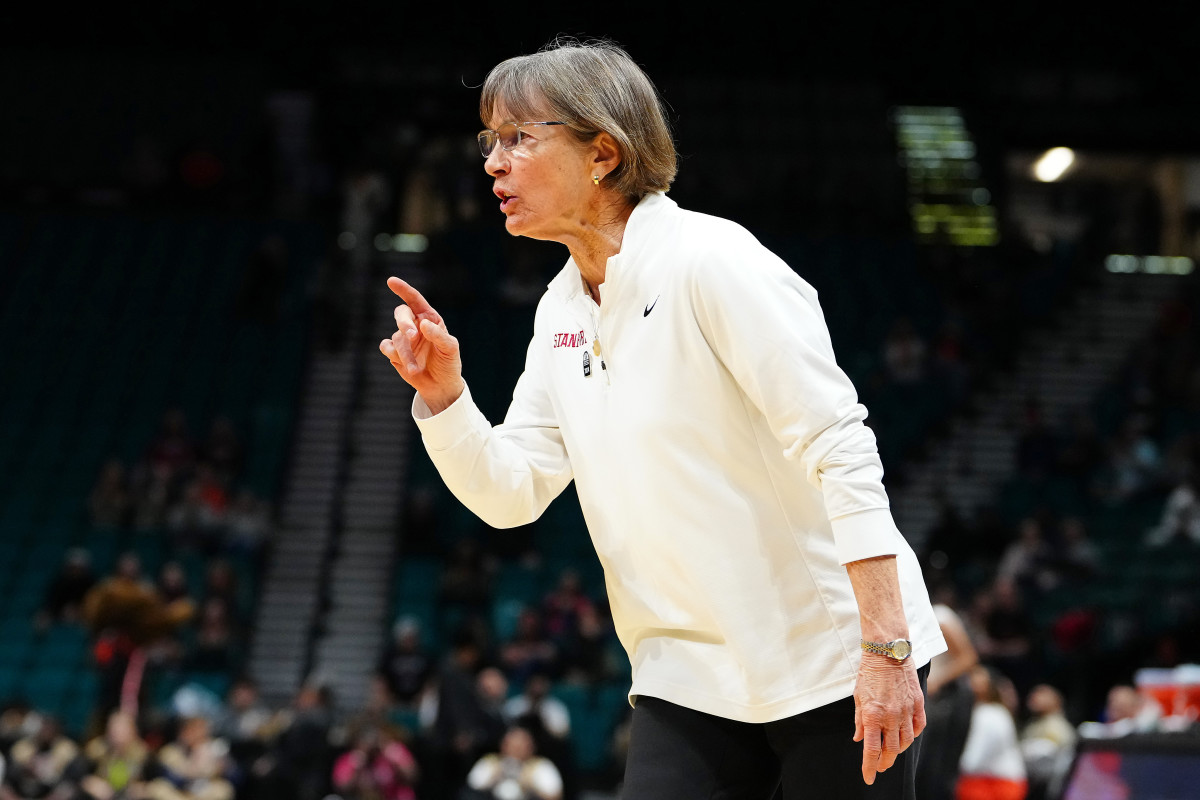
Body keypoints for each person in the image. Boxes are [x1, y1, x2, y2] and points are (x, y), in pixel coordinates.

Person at [380, 39, 945, 799]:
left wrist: (885, 646)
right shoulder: (559, 310)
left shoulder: (715, 262)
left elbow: (840, 446)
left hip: (831, 656)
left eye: (519, 137)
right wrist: (447, 399)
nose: (493, 162)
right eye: (490, 141)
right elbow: (510, 494)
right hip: (686, 674)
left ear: (602, 154)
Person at [956, 666, 1027, 800]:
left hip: (994, 785)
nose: (970, 681)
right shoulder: (997, 711)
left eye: (977, 677)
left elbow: (973, 759)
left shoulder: (988, 713)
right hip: (1005, 782)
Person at [463, 725, 562, 800]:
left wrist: (529, 784)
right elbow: (470, 790)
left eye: (520, 747)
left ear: (531, 748)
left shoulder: (540, 766)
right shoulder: (490, 762)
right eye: (512, 746)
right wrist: (494, 778)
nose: (515, 751)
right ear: (503, 746)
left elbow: (555, 796)